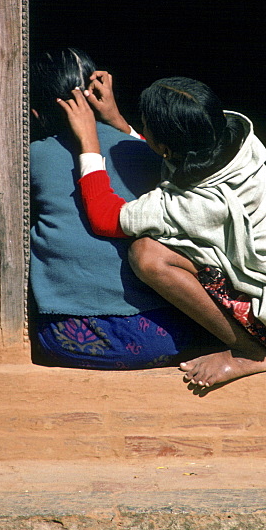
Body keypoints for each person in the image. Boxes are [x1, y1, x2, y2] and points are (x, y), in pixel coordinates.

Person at [57, 75, 266, 390]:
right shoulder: (240, 147)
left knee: (148, 255)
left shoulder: (194, 204)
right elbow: (175, 154)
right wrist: (116, 120)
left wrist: (89, 140)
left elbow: (105, 217)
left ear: (165, 148)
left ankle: (251, 353)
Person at [30, 50, 210, 369]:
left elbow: (101, 218)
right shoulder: (144, 150)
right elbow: (148, 153)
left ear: (34, 113)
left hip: (75, 337)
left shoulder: (33, 157)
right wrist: (116, 122)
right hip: (172, 334)